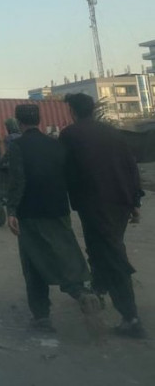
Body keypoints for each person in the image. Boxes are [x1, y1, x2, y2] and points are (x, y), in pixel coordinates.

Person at [4, 104, 101, 333]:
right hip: (58, 210)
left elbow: (18, 180)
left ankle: (42, 317)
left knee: (33, 262)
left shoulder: (17, 146)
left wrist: (12, 210)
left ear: (18, 122)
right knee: (65, 254)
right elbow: (69, 177)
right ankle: (82, 293)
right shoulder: (56, 145)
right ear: (39, 120)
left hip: (30, 213)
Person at [59, 92, 146, 338]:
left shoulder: (70, 135)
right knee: (101, 248)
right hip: (121, 202)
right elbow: (130, 167)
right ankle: (99, 290)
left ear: (72, 111)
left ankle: (131, 318)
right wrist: (135, 201)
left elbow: (65, 170)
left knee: (112, 254)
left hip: (94, 204)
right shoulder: (113, 133)